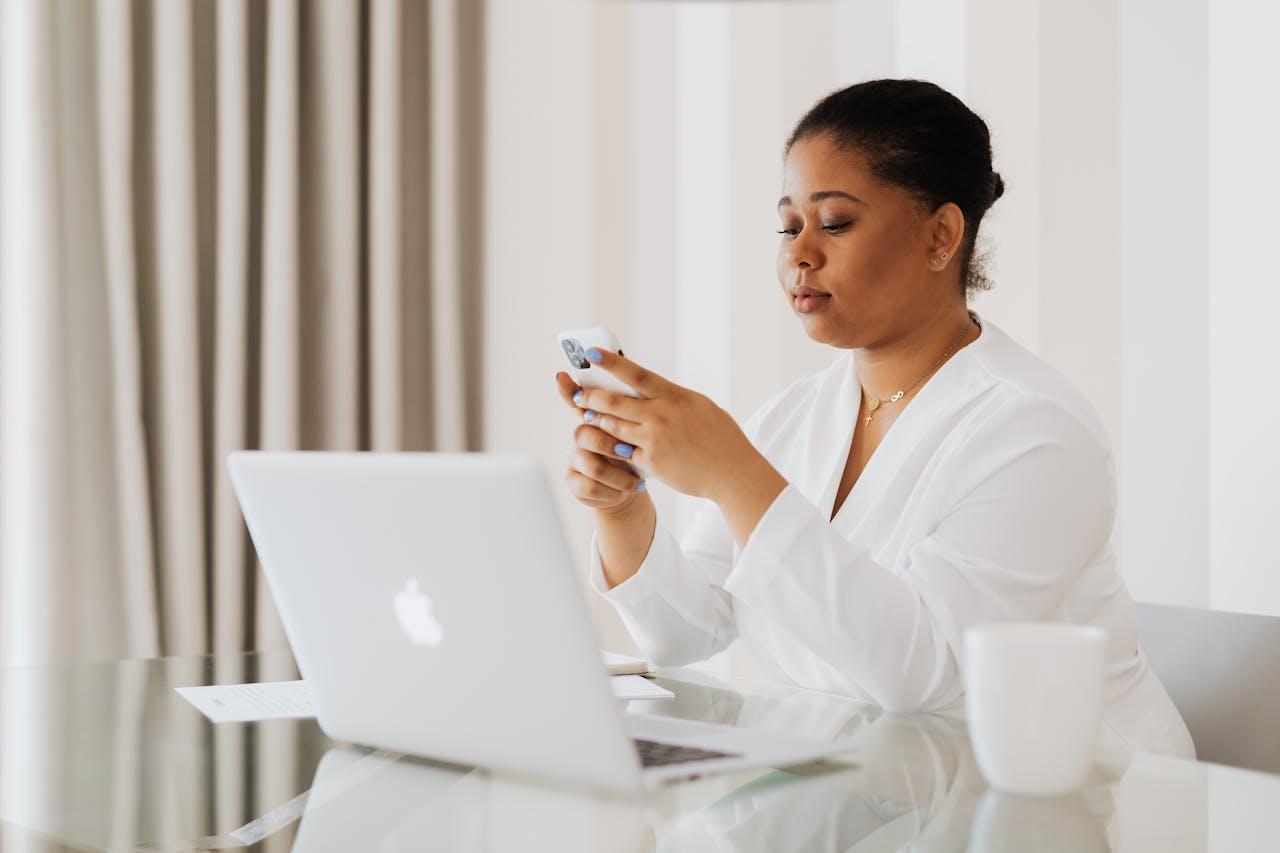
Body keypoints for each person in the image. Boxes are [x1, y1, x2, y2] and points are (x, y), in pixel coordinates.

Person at [553, 79, 1193, 758]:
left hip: (1077, 804)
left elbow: (918, 671)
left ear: (941, 234)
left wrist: (732, 474)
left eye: (834, 223)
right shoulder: (797, 416)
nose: (800, 253)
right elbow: (689, 633)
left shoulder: (1038, 431)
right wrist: (623, 513)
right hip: (882, 797)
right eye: (788, 225)